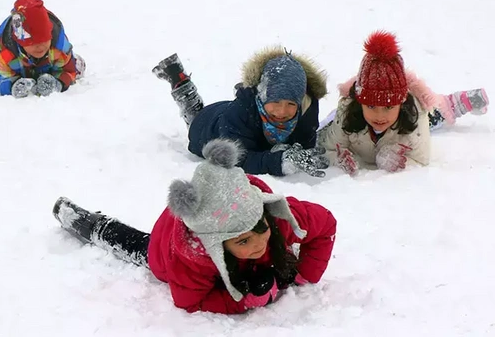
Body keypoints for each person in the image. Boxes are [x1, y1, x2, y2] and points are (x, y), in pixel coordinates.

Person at [52, 139, 337, 314]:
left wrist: (303, 275)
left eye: (259, 230)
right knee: (139, 246)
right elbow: (190, 302)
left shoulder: (274, 215)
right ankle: (86, 223)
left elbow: (326, 225)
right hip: (167, 246)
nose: (258, 243)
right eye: (242, 241)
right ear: (217, 245)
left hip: (214, 210)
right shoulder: (192, 258)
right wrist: (243, 301)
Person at [317, 30, 489, 175]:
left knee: (433, 114)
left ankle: (452, 103)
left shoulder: (415, 115)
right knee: (331, 123)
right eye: (371, 106)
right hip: (355, 116)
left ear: (401, 102)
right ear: (360, 102)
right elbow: (327, 148)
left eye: (389, 107)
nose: (379, 115)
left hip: (409, 118)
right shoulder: (347, 113)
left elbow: (422, 159)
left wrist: (400, 162)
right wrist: (339, 160)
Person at [151, 47, 330, 177]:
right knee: (194, 116)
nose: (282, 111)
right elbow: (236, 159)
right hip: (208, 127)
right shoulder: (240, 113)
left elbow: (305, 142)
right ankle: (180, 83)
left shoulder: (306, 108)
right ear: (262, 96)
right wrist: (278, 161)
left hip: (234, 117)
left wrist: (294, 152)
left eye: (291, 103)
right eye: (275, 101)